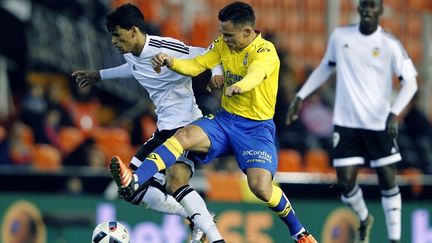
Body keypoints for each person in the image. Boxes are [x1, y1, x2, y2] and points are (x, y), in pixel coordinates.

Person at [114, 2, 317, 242]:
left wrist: (240, 86)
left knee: (260, 187)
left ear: (247, 32)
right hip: (225, 121)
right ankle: (136, 178)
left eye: (228, 35)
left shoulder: (265, 52)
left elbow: (256, 74)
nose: (223, 38)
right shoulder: (223, 44)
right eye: (222, 33)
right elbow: (198, 64)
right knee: (184, 136)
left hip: (256, 129)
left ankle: (298, 231)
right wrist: (172, 62)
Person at [71, 3, 224, 243]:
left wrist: (216, 73)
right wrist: (99, 75)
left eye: (117, 36)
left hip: (186, 127)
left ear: (133, 31)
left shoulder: (165, 48)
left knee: (161, 182)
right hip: (165, 129)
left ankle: (208, 229)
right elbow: (133, 68)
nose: (113, 42)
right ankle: (199, 217)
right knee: (132, 191)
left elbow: (206, 53)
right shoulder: (131, 53)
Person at [285, 1, 418, 242]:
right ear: (358, 9)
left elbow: (411, 82)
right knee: (346, 183)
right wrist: (300, 95)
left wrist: (394, 112)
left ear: (380, 11)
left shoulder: (389, 44)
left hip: (378, 123)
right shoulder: (341, 36)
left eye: (372, 6)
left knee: (388, 180)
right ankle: (365, 218)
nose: (367, 10)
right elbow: (325, 68)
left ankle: (395, 238)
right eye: (364, 6)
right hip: (346, 124)